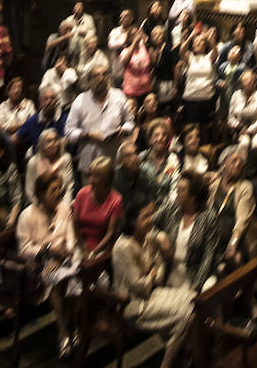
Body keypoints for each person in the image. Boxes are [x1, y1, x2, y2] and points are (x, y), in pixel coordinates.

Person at [111, 199, 196, 368]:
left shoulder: (148, 237)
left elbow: (159, 266)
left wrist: (152, 276)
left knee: (195, 299)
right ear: (133, 220)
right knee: (186, 315)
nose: (151, 219)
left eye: (151, 214)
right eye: (145, 216)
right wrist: (152, 276)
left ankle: (181, 356)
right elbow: (139, 285)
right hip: (133, 304)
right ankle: (169, 363)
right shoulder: (123, 247)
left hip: (152, 294)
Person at [17, 171, 81, 358]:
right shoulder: (27, 215)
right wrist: (47, 249)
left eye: (60, 188)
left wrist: (63, 253)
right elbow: (24, 248)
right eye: (53, 190)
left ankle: (75, 325)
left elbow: (70, 237)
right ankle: (62, 332)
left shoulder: (63, 209)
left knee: (74, 278)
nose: (59, 192)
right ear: (41, 193)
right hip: (40, 262)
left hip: (65, 257)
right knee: (54, 280)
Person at [154, 169, 222, 290]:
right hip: (169, 272)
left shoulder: (208, 216)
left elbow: (208, 256)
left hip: (194, 275)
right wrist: (158, 235)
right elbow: (148, 223)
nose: (177, 193)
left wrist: (196, 286)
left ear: (193, 196)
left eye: (182, 190)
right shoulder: (171, 207)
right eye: (177, 188)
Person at [66, 62, 133, 179]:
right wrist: (88, 135)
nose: (101, 78)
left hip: (115, 163)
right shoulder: (80, 100)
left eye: (104, 75)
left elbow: (130, 123)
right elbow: (69, 132)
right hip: (90, 166)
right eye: (96, 75)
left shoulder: (119, 96)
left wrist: (123, 130)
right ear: (89, 79)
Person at [209, 146, 255, 269]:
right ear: (224, 162)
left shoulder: (245, 187)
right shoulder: (213, 184)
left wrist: (233, 244)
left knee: (236, 258)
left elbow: (242, 219)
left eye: (241, 162)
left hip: (236, 239)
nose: (238, 163)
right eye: (234, 160)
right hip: (212, 238)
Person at [73, 156, 122, 263]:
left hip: (101, 247)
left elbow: (111, 233)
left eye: (96, 176)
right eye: (90, 175)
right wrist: (83, 247)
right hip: (80, 242)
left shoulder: (116, 200)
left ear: (106, 179)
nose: (91, 180)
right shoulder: (82, 193)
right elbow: (75, 223)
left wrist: (94, 252)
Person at [177, 30, 218, 129]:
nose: (198, 42)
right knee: (191, 127)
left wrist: (209, 38)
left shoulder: (209, 57)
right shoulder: (190, 56)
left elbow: (216, 52)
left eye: (201, 41)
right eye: (196, 41)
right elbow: (181, 51)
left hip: (207, 99)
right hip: (191, 99)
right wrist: (191, 36)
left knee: (205, 127)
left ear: (205, 44)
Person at [25, 128, 75, 202]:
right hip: (39, 203)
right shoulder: (33, 162)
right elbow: (29, 190)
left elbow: (69, 186)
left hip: (62, 201)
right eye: (48, 141)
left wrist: (65, 204)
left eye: (55, 140)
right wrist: (41, 207)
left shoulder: (66, 158)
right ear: (42, 145)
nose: (53, 143)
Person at [17, 85, 67, 155]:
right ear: (40, 103)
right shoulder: (33, 121)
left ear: (56, 101)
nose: (49, 102)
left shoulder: (65, 119)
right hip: (38, 160)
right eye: (45, 99)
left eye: (52, 98)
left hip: (60, 158)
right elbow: (16, 138)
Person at [139, 118, 181, 201]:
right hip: (144, 203)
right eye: (156, 135)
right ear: (150, 140)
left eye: (164, 135)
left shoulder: (172, 159)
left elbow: (174, 186)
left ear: (167, 140)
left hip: (166, 204)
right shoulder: (142, 157)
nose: (160, 138)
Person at [227, 68, 257, 148]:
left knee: (256, 144)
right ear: (242, 83)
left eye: (252, 80)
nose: (250, 82)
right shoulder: (236, 95)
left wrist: (249, 130)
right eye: (247, 81)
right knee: (244, 143)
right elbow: (231, 117)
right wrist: (239, 126)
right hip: (240, 128)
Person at [113, 139, 155, 214]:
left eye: (136, 153)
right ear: (121, 160)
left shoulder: (144, 177)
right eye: (128, 155)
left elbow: (151, 202)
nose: (134, 158)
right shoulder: (113, 179)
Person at [120, 30, 154, 106]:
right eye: (133, 34)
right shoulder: (125, 51)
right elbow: (125, 62)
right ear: (129, 38)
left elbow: (153, 61)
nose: (136, 35)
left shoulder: (144, 48)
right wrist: (134, 43)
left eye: (137, 33)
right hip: (131, 90)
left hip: (146, 88)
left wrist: (147, 39)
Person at [0, 76, 35, 141]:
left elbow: (33, 122)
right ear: (8, 91)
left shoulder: (29, 104)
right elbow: (1, 127)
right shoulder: (2, 107)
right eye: (14, 87)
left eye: (19, 87)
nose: (16, 90)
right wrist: (22, 124)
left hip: (26, 137)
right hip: (6, 139)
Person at [106, 11, 134, 87]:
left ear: (131, 19)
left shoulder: (134, 31)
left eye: (126, 16)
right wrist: (125, 40)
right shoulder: (115, 31)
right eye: (121, 16)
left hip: (132, 70)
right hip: (118, 69)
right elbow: (111, 44)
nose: (123, 18)